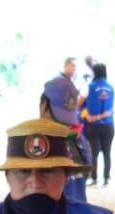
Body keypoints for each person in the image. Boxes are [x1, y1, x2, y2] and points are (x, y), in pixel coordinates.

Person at [40, 73, 92, 203]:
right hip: (76, 211)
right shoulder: (82, 142)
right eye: (59, 117)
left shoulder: (35, 143)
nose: (65, 124)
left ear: (43, 105)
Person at [82, 62, 115, 187]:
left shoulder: (89, 87)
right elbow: (111, 107)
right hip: (108, 125)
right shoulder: (111, 87)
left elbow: (79, 104)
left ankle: (94, 178)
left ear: (94, 72)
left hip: (93, 125)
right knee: (107, 152)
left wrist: (88, 116)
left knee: (94, 153)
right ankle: (106, 179)